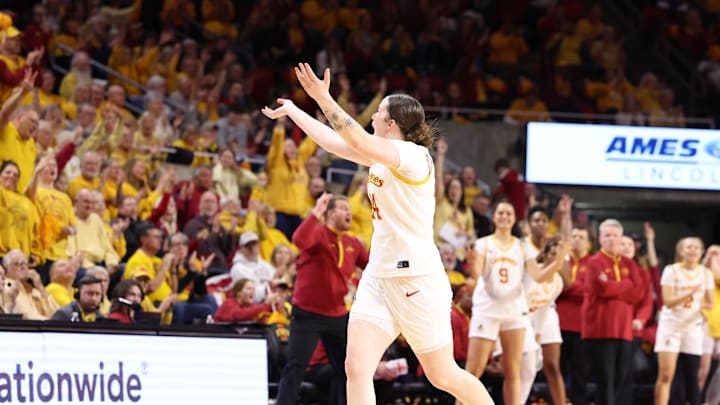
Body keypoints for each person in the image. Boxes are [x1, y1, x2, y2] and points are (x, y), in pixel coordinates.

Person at [261, 62, 493, 405]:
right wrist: (295, 111)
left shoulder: (414, 156)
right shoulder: (381, 156)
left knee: (442, 374)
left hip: (416, 280)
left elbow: (354, 135)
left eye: (378, 112)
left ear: (392, 123)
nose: (372, 118)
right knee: (356, 368)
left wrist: (324, 98)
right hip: (378, 279)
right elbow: (336, 143)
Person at [463, 201, 568, 405]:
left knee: (513, 371)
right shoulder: (484, 243)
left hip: (513, 311)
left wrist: (557, 263)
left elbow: (537, 276)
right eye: (501, 212)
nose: (504, 216)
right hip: (488, 309)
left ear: (514, 218)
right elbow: (476, 275)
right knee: (474, 368)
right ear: (495, 217)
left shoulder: (522, 246)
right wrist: (471, 262)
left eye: (509, 213)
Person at [275, 193, 369, 405]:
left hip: (337, 315)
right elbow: (299, 240)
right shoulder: (317, 234)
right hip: (308, 313)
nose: (349, 212)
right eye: (344, 208)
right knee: (295, 368)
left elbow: (373, 266)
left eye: (349, 209)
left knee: (348, 369)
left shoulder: (353, 242)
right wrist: (316, 212)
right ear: (331, 213)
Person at [582, 219, 645, 405]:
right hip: (600, 329)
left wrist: (612, 286)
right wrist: (626, 286)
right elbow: (601, 290)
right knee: (605, 379)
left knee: (620, 377)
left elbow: (639, 293)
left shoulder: (629, 264)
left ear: (621, 238)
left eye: (615, 235)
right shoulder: (594, 262)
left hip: (624, 330)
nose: (611, 239)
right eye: (607, 235)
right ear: (600, 238)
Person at [653, 237, 714, 405]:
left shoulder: (705, 273)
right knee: (666, 374)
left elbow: (710, 302)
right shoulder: (671, 270)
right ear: (681, 251)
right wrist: (689, 294)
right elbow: (668, 301)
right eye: (688, 247)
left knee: (692, 375)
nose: (692, 250)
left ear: (701, 252)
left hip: (692, 326)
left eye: (696, 247)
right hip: (671, 325)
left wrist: (702, 309)